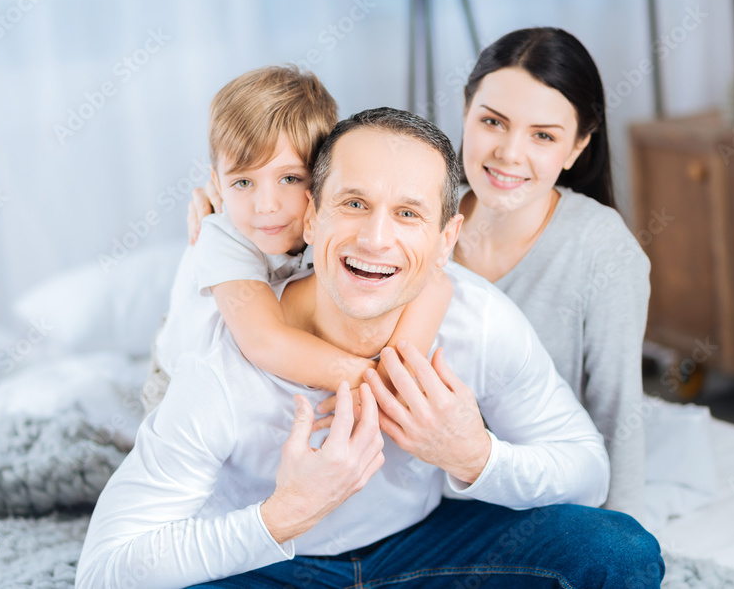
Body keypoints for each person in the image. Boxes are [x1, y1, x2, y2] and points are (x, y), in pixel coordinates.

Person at [76, 107, 664, 588]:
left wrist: (473, 455)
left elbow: (587, 473)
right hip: (268, 563)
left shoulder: (477, 321)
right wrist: (281, 516)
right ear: (311, 217)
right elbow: (103, 571)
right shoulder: (221, 361)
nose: (376, 239)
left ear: (446, 240)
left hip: (423, 549)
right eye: (354, 204)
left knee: (618, 551)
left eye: (408, 213)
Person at [190, 28, 651, 523]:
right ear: (466, 112)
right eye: (492, 122)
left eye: (543, 135)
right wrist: (234, 212)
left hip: (509, 473)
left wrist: (623, 521)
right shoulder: (408, 209)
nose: (510, 153)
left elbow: (616, 409)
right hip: (408, 489)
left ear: (577, 147)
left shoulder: (598, 249)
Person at [143, 65, 451, 415]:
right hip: (177, 375)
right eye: (243, 182)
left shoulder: (332, 220)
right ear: (218, 182)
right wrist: (377, 386)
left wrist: (394, 377)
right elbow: (264, 341)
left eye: (289, 178)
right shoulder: (222, 237)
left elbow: (438, 283)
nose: (266, 205)